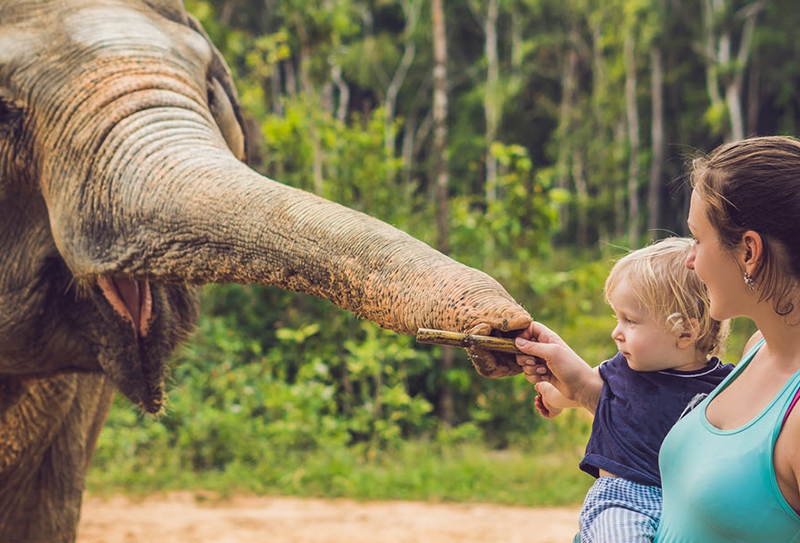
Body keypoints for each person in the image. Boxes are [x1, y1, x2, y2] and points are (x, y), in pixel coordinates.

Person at [518, 135, 800, 542]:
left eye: (698, 240)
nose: (690, 259)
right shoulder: (758, 350)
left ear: (749, 251)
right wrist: (583, 389)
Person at [524, 237, 734, 543]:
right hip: (623, 500)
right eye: (617, 318)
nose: (616, 332)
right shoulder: (621, 370)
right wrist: (549, 394)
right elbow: (572, 390)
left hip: (686, 506)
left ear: (685, 331)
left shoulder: (725, 383)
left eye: (630, 321)